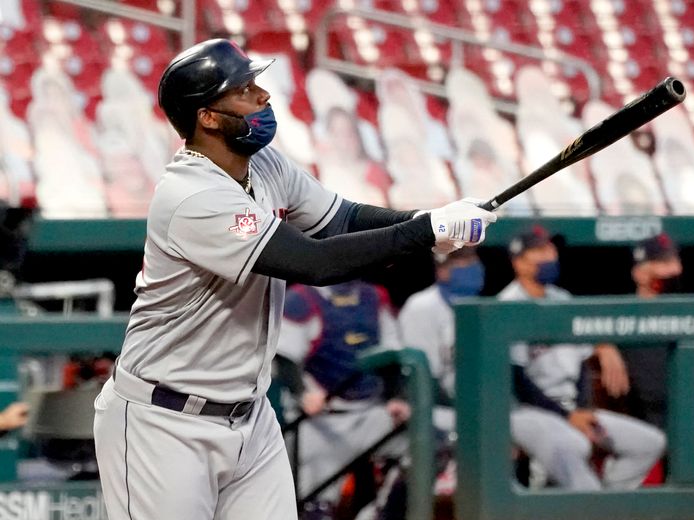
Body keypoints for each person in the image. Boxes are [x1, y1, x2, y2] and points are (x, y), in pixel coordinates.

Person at [91, 38, 496, 520]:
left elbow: (341, 219)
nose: (263, 96)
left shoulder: (263, 164)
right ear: (208, 117)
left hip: (249, 413)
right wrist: (422, 231)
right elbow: (314, 262)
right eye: (244, 90)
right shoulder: (190, 196)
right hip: (163, 421)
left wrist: (429, 222)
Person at [399, 248, 604, 491]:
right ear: (442, 270)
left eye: (472, 259)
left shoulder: (484, 307)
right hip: (446, 411)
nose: (471, 266)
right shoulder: (422, 307)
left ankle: (583, 505)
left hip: (496, 409)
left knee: (570, 443)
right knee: (498, 455)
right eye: (460, 261)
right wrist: (485, 422)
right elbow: (426, 381)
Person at [498, 225, 666, 489]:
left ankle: (606, 503)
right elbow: (517, 382)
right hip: (529, 412)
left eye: (551, 247)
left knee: (649, 443)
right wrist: (568, 417)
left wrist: (583, 410)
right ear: (519, 263)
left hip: (571, 408)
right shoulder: (507, 305)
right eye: (540, 250)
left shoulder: (562, 299)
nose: (550, 255)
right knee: (573, 446)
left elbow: (582, 366)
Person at [275, 280, 409, 511]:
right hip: (320, 421)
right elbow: (284, 356)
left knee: (429, 442)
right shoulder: (301, 298)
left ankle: (379, 511)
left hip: (370, 411)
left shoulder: (374, 295)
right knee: (312, 505)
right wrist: (302, 393)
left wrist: (396, 396)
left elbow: (391, 352)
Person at [607, 233, 694, 430]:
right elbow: (580, 324)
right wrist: (602, 347)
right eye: (665, 263)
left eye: (676, 260)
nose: (676, 269)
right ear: (640, 274)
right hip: (673, 418)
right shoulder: (623, 316)